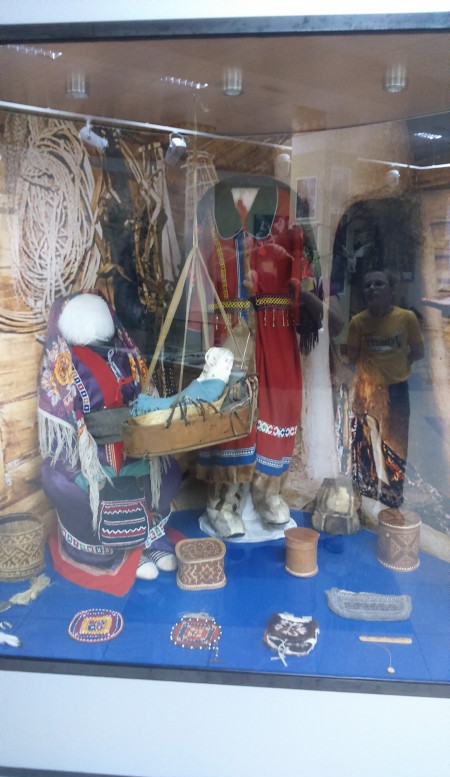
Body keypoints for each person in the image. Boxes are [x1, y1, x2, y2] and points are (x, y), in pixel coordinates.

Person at [190, 176, 324, 537]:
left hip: (277, 324)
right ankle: (223, 499)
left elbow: (308, 272)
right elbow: (196, 276)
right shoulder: (210, 207)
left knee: (279, 405)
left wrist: (307, 306)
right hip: (228, 325)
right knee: (229, 408)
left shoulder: (288, 205)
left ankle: (268, 491)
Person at [38, 293, 181, 595]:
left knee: (168, 471)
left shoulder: (125, 355)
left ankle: (148, 539)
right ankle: (114, 552)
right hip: (89, 457)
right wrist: (90, 457)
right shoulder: (62, 363)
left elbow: (144, 400)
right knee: (59, 481)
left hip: (131, 449)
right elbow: (62, 422)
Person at [347, 269, 424, 507]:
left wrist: (396, 367)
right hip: (367, 391)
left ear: (391, 290)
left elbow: (418, 352)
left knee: (395, 443)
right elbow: (352, 356)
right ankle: (365, 492)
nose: (372, 288)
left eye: (379, 284)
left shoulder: (407, 319)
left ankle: (392, 495)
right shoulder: (358, 322)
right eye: (368, 285)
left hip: (397, 390)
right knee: (365, 441)